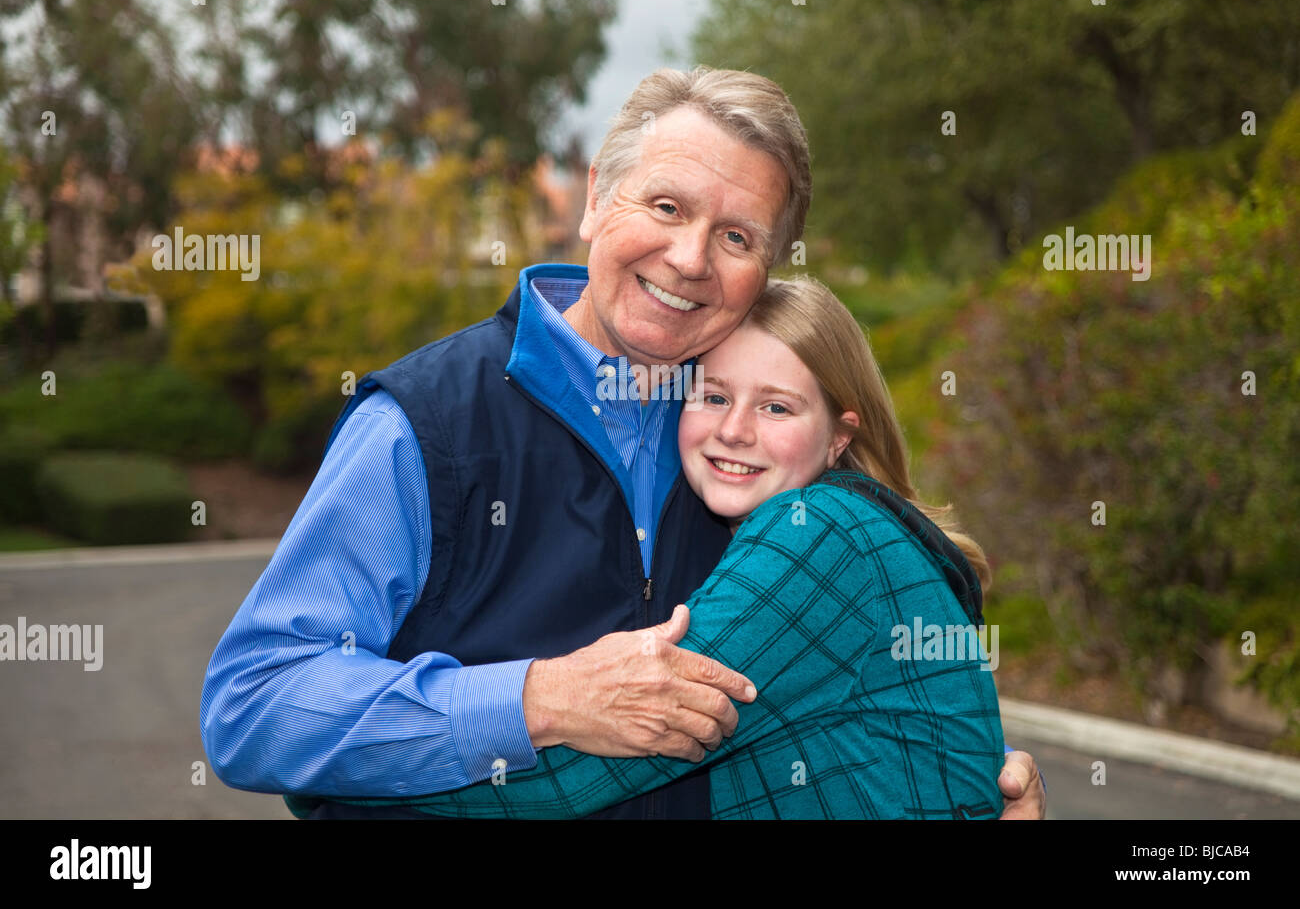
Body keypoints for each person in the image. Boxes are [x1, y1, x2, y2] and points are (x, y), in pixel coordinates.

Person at [200, 66, 1046, 819]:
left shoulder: (751, 461)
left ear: (770, 271)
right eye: (668, 206)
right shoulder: (423, 426)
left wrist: (963, 786)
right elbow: (254, 705)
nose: (689, 258)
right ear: (597, 198)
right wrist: (535, 699)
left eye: (737, 236)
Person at [288, 275, 1005, 818]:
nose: (734, 429)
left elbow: (581, 775)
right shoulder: (858, 536)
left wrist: (333, 783)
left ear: (842, 434)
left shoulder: (819, 538)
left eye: (777, 406)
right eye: (714, 395)